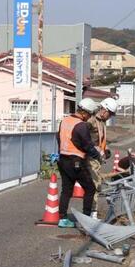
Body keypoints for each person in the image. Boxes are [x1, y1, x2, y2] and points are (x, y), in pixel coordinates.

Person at [56, 98, 102, 228]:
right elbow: (87, 145)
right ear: (85, 113)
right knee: (90, 188)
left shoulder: (65, 121)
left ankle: (63, 218)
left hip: (62, 159)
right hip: (76, 162)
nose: (89, 117)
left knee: (66, 190)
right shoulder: (81, 125)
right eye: (90, 114)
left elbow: (58, 137)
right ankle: (86, 219)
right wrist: (97, 155)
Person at [86, 97, 118, 215]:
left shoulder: (102, 122)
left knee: (96, 184)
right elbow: (84, 138)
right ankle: (91, 212)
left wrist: (106, 149)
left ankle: (91, 211)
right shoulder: (91, 120)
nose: (110, 117)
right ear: (104, 110)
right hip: (90, 157)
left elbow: (102, 139)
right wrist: (95, 149)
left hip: (97, 158)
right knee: (94, 185)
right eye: (110, 114)